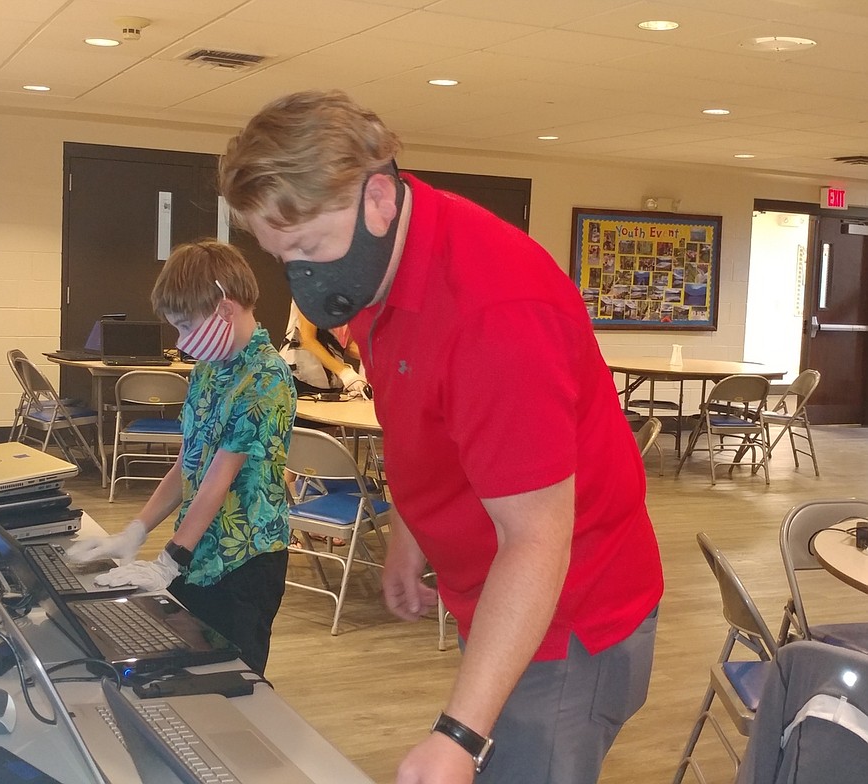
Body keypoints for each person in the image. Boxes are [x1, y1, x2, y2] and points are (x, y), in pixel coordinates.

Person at [219, 90, 663, 783]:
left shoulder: (496, 313)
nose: (304, 278)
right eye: (285, 257)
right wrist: (411, 528)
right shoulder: (382, 262)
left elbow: (537, 539)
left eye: (308, 248)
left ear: (377, 200)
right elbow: (424, 415)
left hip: (569, 621)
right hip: (501, 596)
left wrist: (459, 734)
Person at [66, 240, 297, 676]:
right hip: (199, 548)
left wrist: (171, 559)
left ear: (224, 309)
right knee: (192, 668)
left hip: (245, 562)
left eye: (185, 325)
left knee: (234, 678)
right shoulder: (210, 368)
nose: (181, 339)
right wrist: (135, 531)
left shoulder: (266, 376)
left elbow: (219, 480)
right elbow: (189, 465)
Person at [280, 300, 368, 397]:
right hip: (299, 378)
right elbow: (308, 340)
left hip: (331, 382)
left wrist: (379, 358)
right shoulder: (311, 292)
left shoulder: (349, 300)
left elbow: (349, 345)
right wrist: (345, 373)